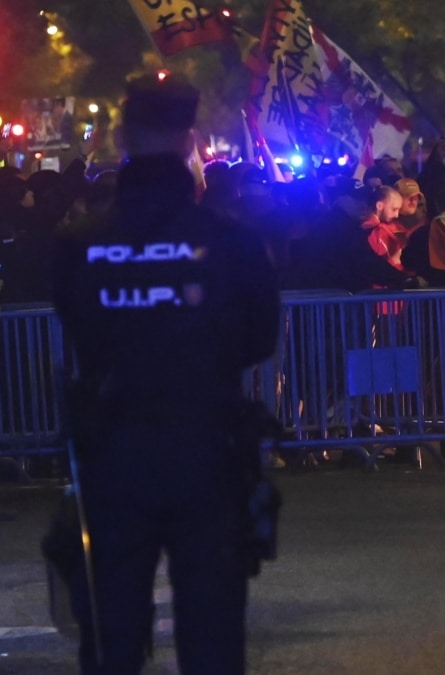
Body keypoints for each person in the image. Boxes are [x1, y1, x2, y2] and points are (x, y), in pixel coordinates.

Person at [51, 74, 281, 674]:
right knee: (212, 633)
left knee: (111, 634)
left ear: (123, 136)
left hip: (113, 455)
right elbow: (260, 339)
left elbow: (77, 327)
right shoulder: (231, 241)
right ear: (190, 140)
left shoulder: (80, 243)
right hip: (206, 449)